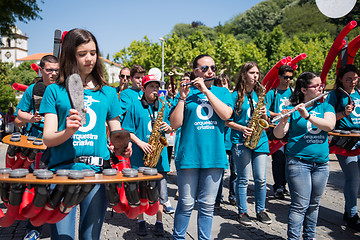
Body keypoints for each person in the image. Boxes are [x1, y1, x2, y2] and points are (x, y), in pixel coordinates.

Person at [39, 28, 131, 240]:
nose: (89, 58)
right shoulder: (55, 91)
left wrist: (123, 145)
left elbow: (115, 130)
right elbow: (48, 138)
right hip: (61, 174)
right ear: (71, 55)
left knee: (90, 237)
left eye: (93, 52)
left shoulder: (108, 92)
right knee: (62, 238)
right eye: (82, 54)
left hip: (97, 174)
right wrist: (67, 131)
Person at [170, 54, 233, 240]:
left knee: (206, 206)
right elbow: (175, 124)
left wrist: (206, 90)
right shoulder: (186, 93)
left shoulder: (222, 92)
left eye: (212, 68)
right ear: (195, 71)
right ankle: (178, 237)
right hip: (189, 155)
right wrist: (181, 98)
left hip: (214, 156)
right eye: (205, 69)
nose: (210, 71)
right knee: (186, 203)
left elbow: (226, 114)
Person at [273, 72, 335, 240]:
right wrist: (283, 120)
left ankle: (309, 237)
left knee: (314, 205)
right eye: (316, 86)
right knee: (300, 204)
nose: (320, 88)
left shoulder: (326, 106)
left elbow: (329, 125)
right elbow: (278, 135)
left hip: (321, 164)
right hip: (298, 162)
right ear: (304, 89)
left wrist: (307, 116)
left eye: (321, 85)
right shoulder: (294, 106)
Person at [122, 74, 173, 236]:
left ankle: (159, 221)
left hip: (160, 158)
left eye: (157, 87)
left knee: (160, 192)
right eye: (151, 87)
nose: (155, 90)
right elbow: (128, 130)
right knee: (140, 192)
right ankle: (140, 220)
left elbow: (174, 124)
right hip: (140, 157)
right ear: (143, 89)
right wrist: (141, 143)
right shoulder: (135, 106)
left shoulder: (164, 105)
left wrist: (169, 126)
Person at [226, 62, 272, 226]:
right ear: (244, 74)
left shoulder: (260, 95)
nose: (255, 76)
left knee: (261, 179)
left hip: (260, 140)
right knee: (243, 178)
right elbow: (227, 121)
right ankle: (242, 211)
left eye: (257, 73)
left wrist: (265, 114)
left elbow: (265, 120)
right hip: (240, 140)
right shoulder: (234, 96)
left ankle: (261, 210)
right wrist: (241, 128)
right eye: (252, 72)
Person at [326, 64, 360, 231]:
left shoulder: (359, 93)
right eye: (348, 79)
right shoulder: (334, 96)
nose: (352, 81)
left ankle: (349, 210)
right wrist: (344, 114)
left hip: (359, 138)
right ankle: (353, 215)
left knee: (357, 180)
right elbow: (328, 119)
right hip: (345, 141)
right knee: (352, 177)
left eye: (355, 78)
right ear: (340, 79)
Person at [266, 64, 294, 200]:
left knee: (290, 159)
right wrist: (280, 114)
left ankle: (285, 185)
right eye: (285, 77)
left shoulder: (295, 93)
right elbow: (266, 111)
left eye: (290, 77)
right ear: (279, 77)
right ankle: (278, 187)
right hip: (276, 130)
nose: (288, 80)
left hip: (292, 131)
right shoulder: (272, 93)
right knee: (278, 159)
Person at [17, 55, 59, 138]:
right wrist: (32, 118)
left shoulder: (64, 88)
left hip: (58, 136)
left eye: (56, 70)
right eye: (49, 70)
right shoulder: (32, 89)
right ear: (40, 70)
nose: (54, 73)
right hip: (37, 138)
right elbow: (20, 113)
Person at [213, 74, 236, 207]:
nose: (223, 87)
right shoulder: (214, 98)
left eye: (225, 84)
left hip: (232, 139)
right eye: (219, 84)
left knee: (235, 171)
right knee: (219, 170)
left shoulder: (232, 97)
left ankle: (232, 196)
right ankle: (217, 197)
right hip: (220, 139)